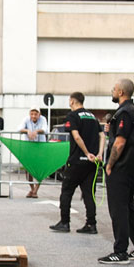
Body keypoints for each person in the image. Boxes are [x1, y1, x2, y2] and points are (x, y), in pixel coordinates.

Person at [100, 79, 134, 264]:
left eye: (114, 89)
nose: (112, 91)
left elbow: (120, 143)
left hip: (121, 167)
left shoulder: (124, 112)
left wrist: (110, 164)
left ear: (121, 92)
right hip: (132, 167)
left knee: (118, 209)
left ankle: (120, 251)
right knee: (129, 208)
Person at [50, 92, 105, 234]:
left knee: (67, 191)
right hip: (92, 163)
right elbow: (102, 135)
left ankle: (64, 222)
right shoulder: (92, 117)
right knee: (89, 194)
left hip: (76, 161)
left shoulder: (72, 116)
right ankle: (91, 224)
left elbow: (76, 136)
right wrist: (99, 154)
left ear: (73, 101)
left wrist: (86, 153)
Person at [18, 107, 47, 198]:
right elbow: (19, 129)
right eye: (32, 114)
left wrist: (36, 131)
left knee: (39, 170)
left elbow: (45, 129)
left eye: (36, 114)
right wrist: (28, 131)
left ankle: (35, 190)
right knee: (28, 170)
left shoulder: (43, 119)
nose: (33, 116)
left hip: (40, 147)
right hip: (29, 147)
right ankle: (32, 188)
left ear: (39, 114)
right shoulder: (26, 119)